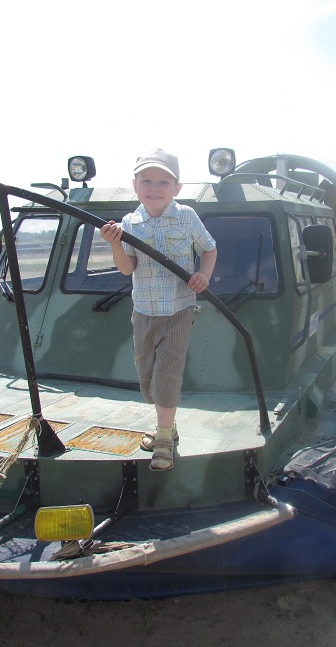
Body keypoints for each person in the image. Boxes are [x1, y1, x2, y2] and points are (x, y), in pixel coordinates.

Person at [100, 149, 217, 471]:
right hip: (143, 310)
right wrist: (114, 243)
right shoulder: (129, 223)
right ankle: (168, 425)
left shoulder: (187, 216)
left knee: (167, 372)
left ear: (177, 188)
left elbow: (209, 249)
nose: (155, 187)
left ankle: (163, 437)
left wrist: (203, 275)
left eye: (164, 181)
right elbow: (127, 268)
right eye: (147, 180)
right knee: (147, 377)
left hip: (179, 309)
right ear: (135, 186)